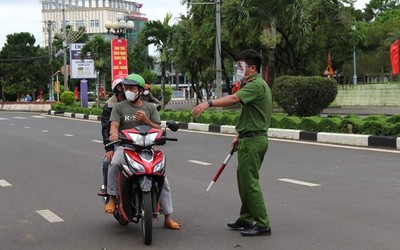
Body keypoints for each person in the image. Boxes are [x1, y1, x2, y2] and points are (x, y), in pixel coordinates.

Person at [191, 49, 272, 236]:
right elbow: (251, 115)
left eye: (240, 66)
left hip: (253, 141)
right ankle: (246, 218)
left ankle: (262, 223)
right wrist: (240, 135)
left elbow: (234, 99)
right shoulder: (256, 84)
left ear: (252, 68)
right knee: (244, 181)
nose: (237, 69)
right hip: (249, 138)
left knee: (250, 183)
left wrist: (208, 103)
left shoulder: (256, 85)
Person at [105, 73, 181, 230]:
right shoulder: (119, 107)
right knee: (114, 163)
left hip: (147, 148)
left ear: (140, 90)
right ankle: (112, 197)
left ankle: (168, 217)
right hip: (126, 146)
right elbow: (113, 125)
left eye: (132, 87)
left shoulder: (150, 107)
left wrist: (146, 120)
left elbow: (159, 128)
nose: (128, 91)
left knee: (163, 180)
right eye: (127, 88)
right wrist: (113, 133)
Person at [98, 74, 127, 196]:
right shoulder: (109, 107)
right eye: (124, 86)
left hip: (136, 140)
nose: (127, 89)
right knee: (107, 162)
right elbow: (106, 128)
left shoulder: (136, 103)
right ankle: (106, 188)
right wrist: (109, 147)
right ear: (117, 88)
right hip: (117, 141)